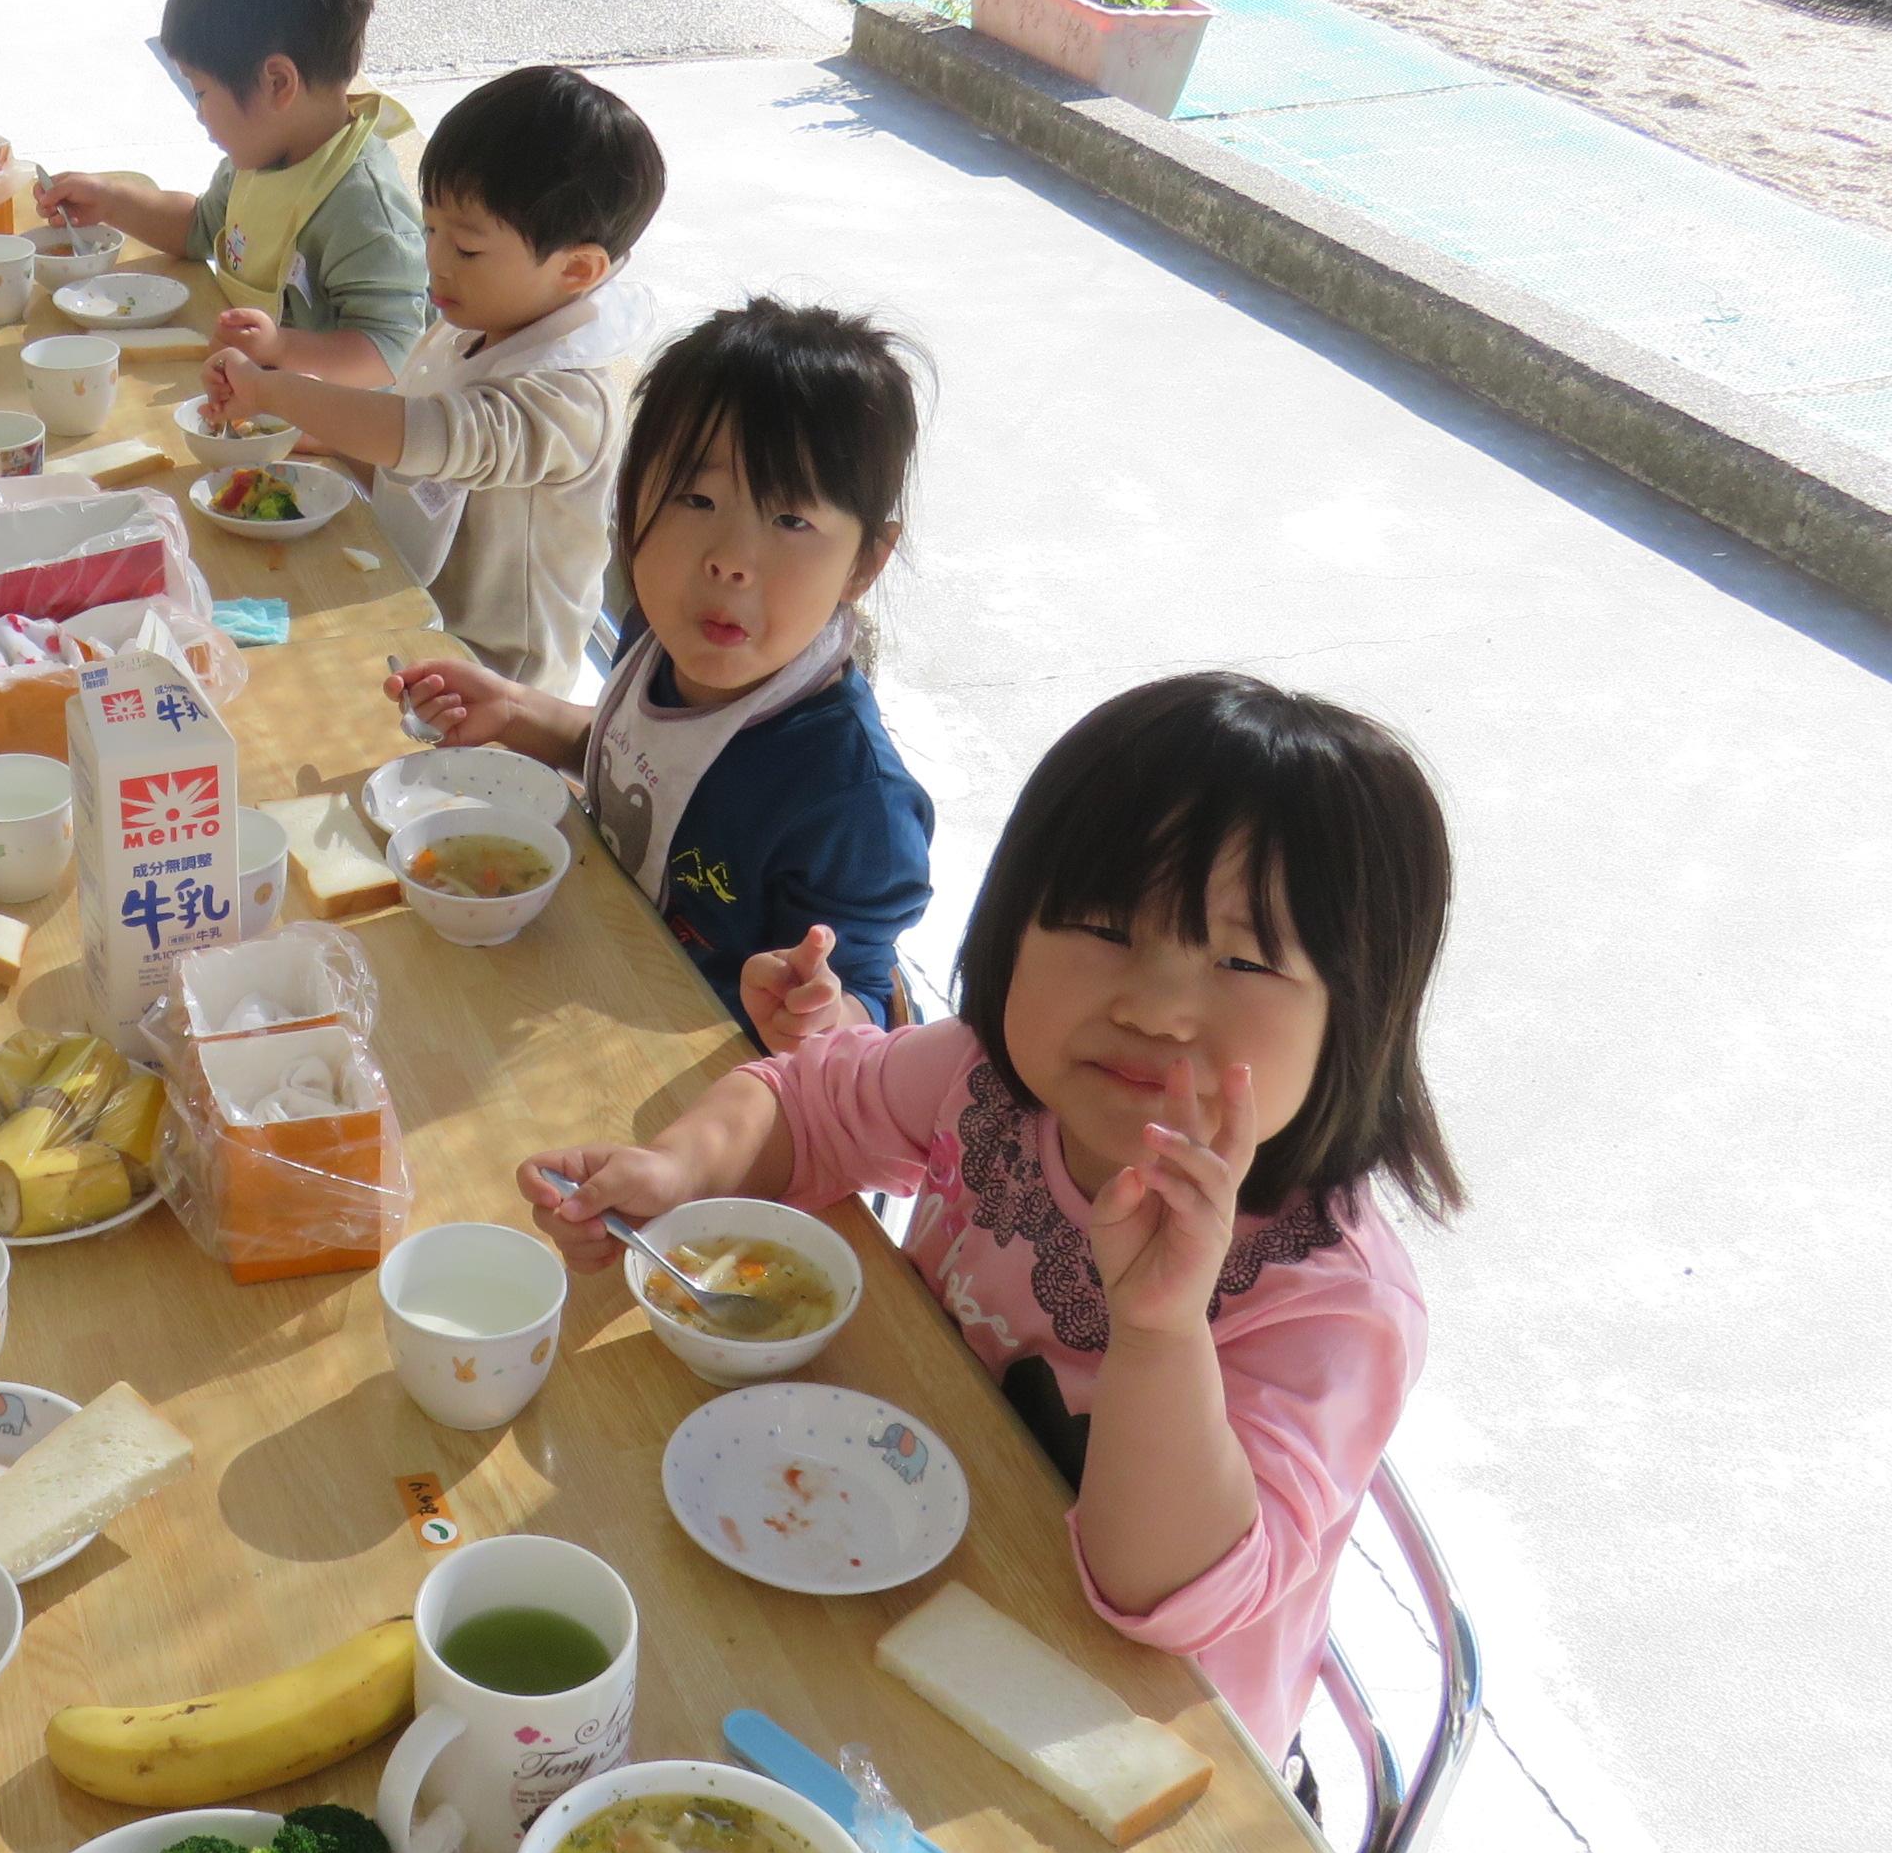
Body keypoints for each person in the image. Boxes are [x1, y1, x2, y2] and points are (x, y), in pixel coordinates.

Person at [520, 673, 1459, 1760]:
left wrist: (1159, 1329)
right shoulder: (996, 1086)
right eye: (1105, 927)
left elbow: (1164, 1588)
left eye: (1242, 960)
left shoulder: (1332, 1305)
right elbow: (807, 1100)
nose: (1153, 1005)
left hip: (1114, 1748)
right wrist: (675, 1169)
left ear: (1362, 1012)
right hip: (886, 1567)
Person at [388, 300, 932, 1040]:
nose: (730, 561)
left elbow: (869, 1007)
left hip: (690, 1077)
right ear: (630, 495)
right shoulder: (669, 632)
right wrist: (518, 714)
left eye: (792, 520)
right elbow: (644, 759)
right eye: (697, 498)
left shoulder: (849, 800)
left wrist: (824, 1018)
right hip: (580, 978)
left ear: (864, 561)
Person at [205, 64, 665, 699]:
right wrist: (337, 443)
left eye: (468, 248)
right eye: (430, 230)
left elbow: (430, 438)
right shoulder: (468, 328)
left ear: (578, 269)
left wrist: (271, 388)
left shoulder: (568, 397)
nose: (436, 261)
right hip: (413, 625)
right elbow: (416, 475)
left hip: (502, 686)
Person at [37, 0, 426, 383]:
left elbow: (393, 350)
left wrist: (279, 348)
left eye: (200, 92)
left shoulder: (364, 211)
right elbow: (201, 226)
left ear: (278, 83)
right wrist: (112, 201)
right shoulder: (264, 156)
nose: (198, 113)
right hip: (252, 392)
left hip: (336, 438)